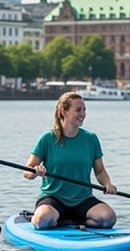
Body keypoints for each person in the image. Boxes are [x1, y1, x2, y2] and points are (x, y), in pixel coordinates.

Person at [24, 91, 117, 230]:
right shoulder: (47, 138)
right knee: (41, 221)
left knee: (108, 219)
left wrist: (107, 183)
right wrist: (35, 171)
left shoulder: (91, 139)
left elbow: (100, 171)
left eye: (84, 110)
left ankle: (69, 222)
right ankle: (51, 218)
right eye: (78, 110)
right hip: (54, 198)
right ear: (63, 112)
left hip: (82, 199)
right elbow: (26, 172)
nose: (83, 114)